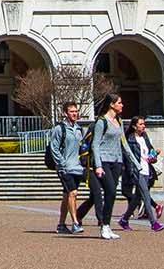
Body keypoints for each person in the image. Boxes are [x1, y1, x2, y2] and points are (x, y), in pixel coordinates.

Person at [48, 99, 88, 235]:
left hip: (77, 167)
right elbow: (54, 148)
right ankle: (75, 223)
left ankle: (61, 224)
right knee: (73, 193)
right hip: (65, 168)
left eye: (76, 111)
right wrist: (61, 163)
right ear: (65, 113)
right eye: (71, 111)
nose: (74, 114)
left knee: (67, 196)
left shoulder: (79, 129)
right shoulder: (59, 129)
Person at [91, 92, 127, 239]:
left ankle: (107, 225)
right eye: (119, 102)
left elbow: (123, 142)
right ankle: (104, 225)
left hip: (117, 161)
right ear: (112, 104)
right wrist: (98, 165)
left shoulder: (119, 121)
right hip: (104, 160)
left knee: (112, 195)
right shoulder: (101, 121)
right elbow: (95, 144)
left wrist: (133, 163)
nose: (122, 105)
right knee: (110, 191)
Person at [121, 116, 164, 231]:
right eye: (140, 124)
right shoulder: (129, 139)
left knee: (137, 197)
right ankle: (153, 222)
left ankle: (124, 219)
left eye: (143, 124)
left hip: (146, 170)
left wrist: (154, 156)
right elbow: (127, 156)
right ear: (134, 126)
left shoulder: (144, 137)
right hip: (137, 171)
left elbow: (150, 153)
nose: (143, 126)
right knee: (145, 195)